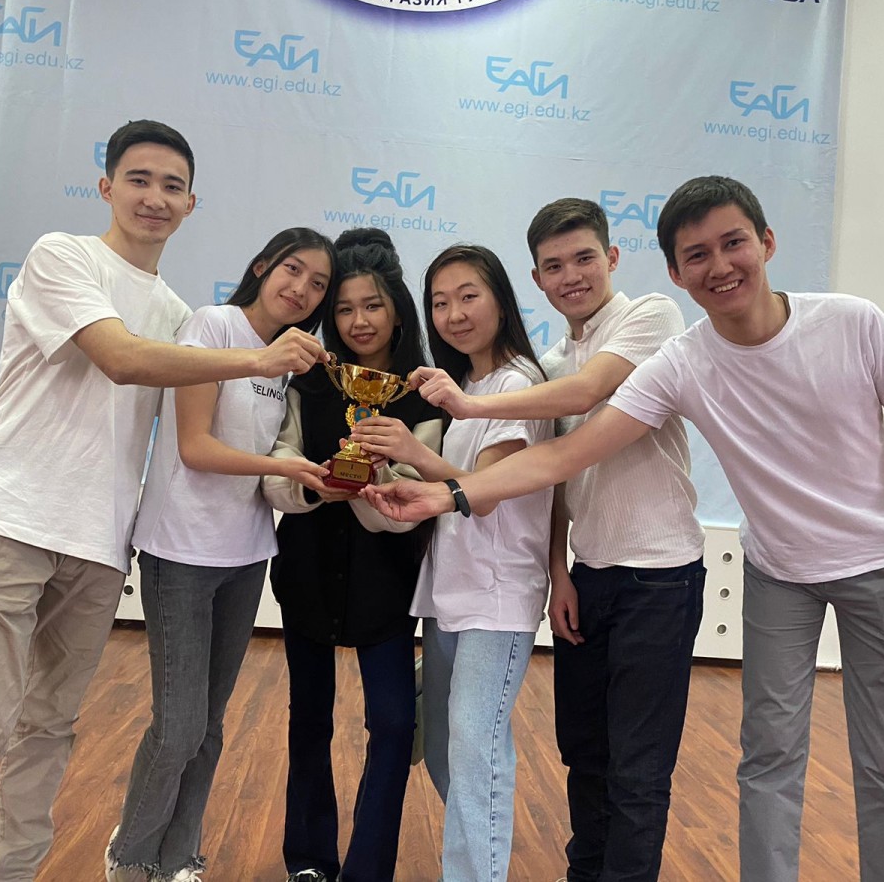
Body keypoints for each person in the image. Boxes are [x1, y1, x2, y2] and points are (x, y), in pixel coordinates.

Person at [363, 176, 884, 882]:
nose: (719, 266)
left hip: (835, 567)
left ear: (767, 242)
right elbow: (564, 461)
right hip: (757, 575)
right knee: (748, 761)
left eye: (733, 244)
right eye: (697, 255)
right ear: (676, 269)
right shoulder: (674, 361)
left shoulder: (818, 323)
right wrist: (451, 499)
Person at [0, 120, 327, 882]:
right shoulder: (63, 257)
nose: (155, 197)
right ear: (106, 186)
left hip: (100, 545)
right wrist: (256, 359)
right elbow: (120, 359)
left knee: (48, 731)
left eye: (173, 186)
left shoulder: (177, 312)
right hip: (6, 522)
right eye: (139, 179)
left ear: (192, 204)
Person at [408, 202, 706, 881]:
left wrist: (466, 407)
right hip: (589, 574)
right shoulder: (548, 365)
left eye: (583, 258)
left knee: (637, 767)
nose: (571, 276)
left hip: (661, 575)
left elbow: (587, 393)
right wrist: (559, 572)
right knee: (584, 754)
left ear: (612, 257)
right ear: (537, 279)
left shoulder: (650, 316)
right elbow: (552, 482)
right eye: (553, 266)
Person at [103, 228, 336, 882]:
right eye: (293, 269)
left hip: (246, 554)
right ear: (262, 266)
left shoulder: (288, 361)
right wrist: (284, 467)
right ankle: (130, 857)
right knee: (177, 727)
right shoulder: (213, 326)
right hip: (179, 550)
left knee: (208, 727)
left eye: (318, 284)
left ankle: (181, 858)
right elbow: (196, 448)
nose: (302, 289)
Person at [351, 244, 553, 881]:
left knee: (475, 752)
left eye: (469, 296)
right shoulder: (468, 387)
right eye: (440, 303)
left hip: (497, 595)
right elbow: (452, 492)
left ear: (501, 300)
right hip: (449, 594)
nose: (454, 314)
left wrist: (413, 451)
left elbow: (483, 493)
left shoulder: (519, 383)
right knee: (443, 748)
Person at [262, 228, 442, 882]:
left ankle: (368, 869)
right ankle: (308, 861)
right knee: (308, 718)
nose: (358, 321)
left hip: (387, 582)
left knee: (393, 724)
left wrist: (375, 479)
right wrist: (316, 484)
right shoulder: (306, 382)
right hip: (307, 571)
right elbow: (277, 467)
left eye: (372, 305)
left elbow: (420, 493)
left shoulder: (425, 393)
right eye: (343, 308)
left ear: (397, 309)